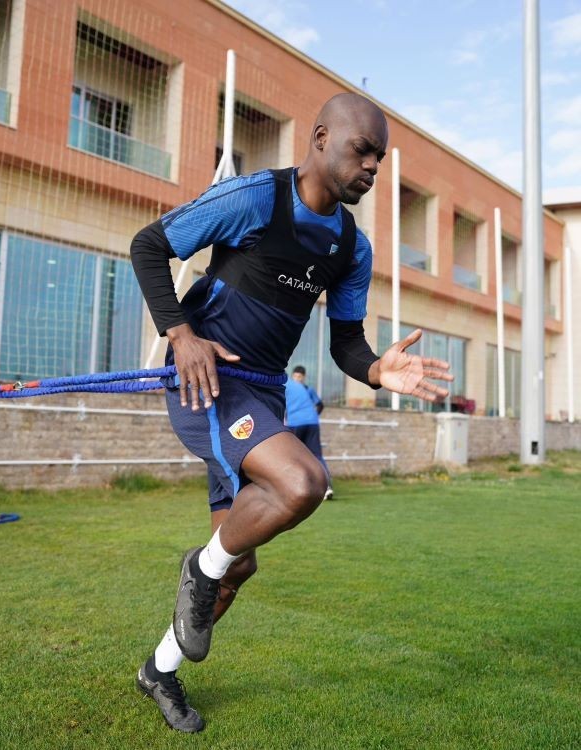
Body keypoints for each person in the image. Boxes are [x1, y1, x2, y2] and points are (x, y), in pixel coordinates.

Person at [130, 92, 452, 733]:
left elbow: (347, 343)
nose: (373, 166)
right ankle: (200, 567)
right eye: (363, 150)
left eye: (380, 158)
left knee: (239, 565)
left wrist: (377, 371)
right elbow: (149, 245)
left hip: (263, 395)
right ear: (321, 137)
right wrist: (181, 335)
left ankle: (159, 670)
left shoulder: (351, 248)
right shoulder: (255, 198)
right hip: (207, 383)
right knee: (303, 482)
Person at [285, 365, 333, 499]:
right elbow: (319, 404)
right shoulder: (302, 388)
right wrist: (312, 416)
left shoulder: (281, 384)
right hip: (312, 422)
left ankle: (294, 488)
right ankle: (327, 487)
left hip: (296, 422)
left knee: (293, 456)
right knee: (317, 455)